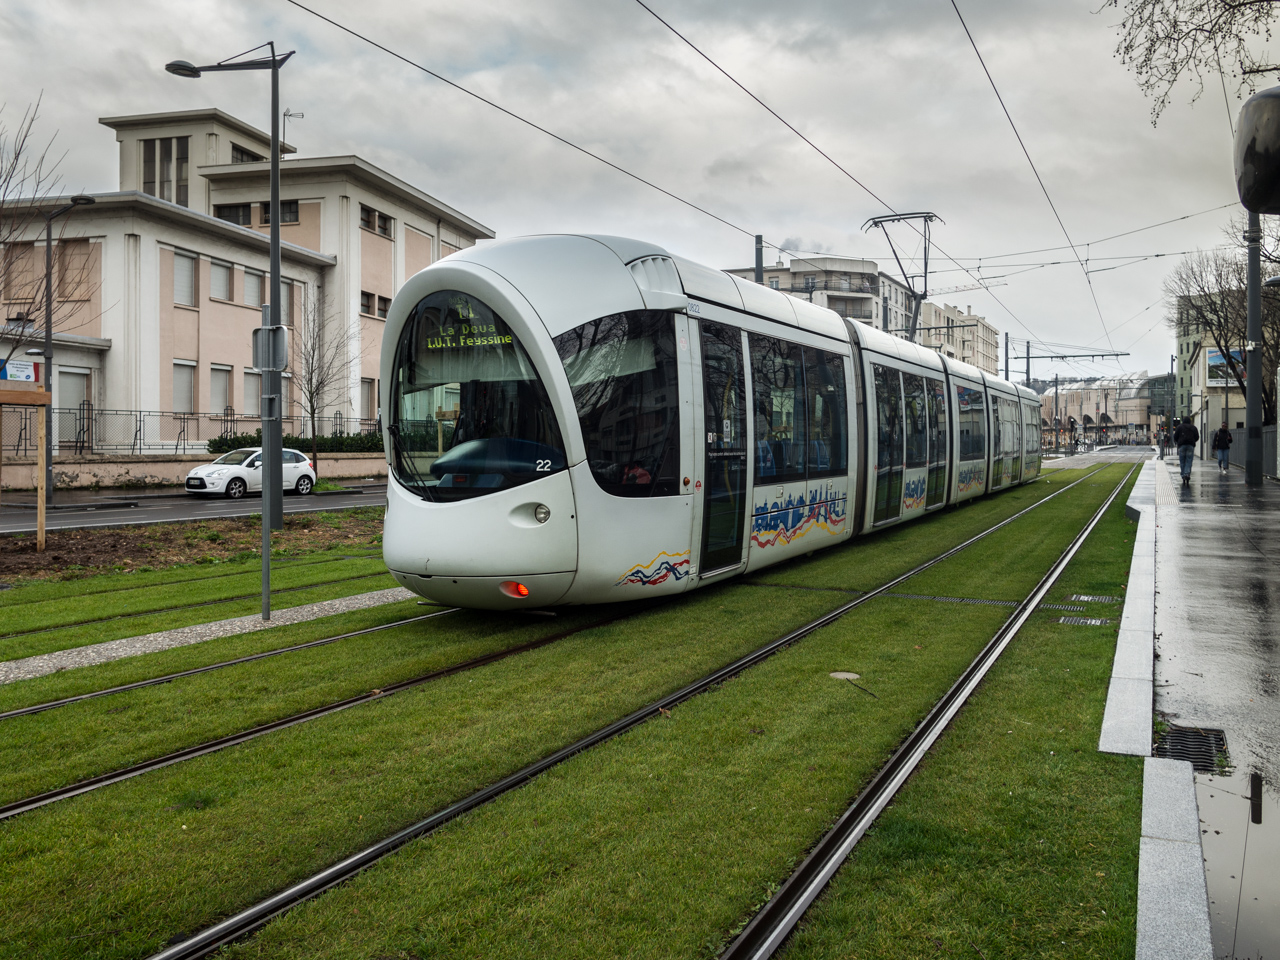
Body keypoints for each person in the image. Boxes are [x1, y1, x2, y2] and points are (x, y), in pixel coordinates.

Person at [1172, 417, 1199, 486]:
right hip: (1190, 445)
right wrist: (1192, 441)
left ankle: (1183, 474)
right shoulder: (1193, 427)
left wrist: (1179, 441)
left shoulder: (1179, 427)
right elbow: (1197, 437)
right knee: (1189, 461)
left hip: (1182, 446)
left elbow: (1175, 437)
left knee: (1182, 461)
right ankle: (1187, 473)